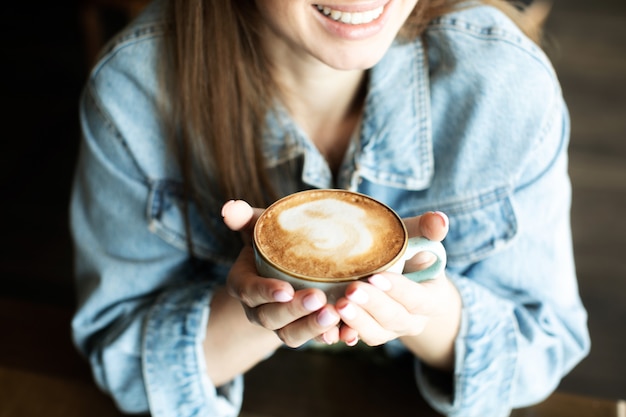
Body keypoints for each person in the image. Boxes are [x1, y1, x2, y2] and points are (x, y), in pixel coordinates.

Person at [70, 0, 590, 416]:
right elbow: (123, 363)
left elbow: (542, 351)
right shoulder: (134, 90)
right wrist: (267, 303)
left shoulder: (505, 82)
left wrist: (422, 306)